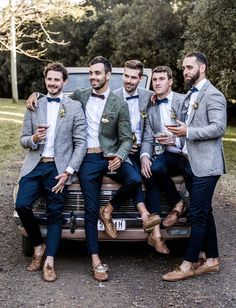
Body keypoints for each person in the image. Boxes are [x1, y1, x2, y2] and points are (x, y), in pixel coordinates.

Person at [26, 56, 158, 281]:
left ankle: (109, 210)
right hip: (87, 159)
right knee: (89, 209)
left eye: (98, 73)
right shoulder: (81, 96)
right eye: (91, 73)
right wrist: (36, 94)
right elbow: (56, 96)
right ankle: (96, 260)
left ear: (108, 75)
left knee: (135, 179)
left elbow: (127, 138)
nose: (93, 77)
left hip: (110, 156)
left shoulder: (119, 103)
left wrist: (120, 155)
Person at [15, 63, 87, 282]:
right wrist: (34, 139)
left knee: (55, 213)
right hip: (35, 165)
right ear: (45, 80)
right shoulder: (35, 104)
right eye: (49, 79)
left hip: (58, 169)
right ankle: (38, 246)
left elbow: (81, 143)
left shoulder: (74, 107)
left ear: (64, 82)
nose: (53, 83)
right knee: (22, 205)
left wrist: (68, 171)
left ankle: (49, 261)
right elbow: (23, 139)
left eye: (57, 80)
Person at [162, 51, 227, 281]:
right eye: (183, 68)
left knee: (198, 215)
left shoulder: (213, 95)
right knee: (205, 212)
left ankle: (187, 265)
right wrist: (178, 134)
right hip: (192, 162)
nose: (185, 72)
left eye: (189, 67)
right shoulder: (192, 95)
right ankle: (212, 260)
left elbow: (219, 128)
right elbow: (190, 126)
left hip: (207, 166)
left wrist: (187, 131)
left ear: (202, 68)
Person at [140, 66, 190, 254]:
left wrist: (175, 139)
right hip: (167, 154)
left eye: (162, 79)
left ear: (170, 82)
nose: (158, 82)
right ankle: (178, 204)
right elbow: (146, 136)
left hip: (187, 152)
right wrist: (145, 156)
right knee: (155, 168)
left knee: (194, 179)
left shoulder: (183, 101)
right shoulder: (151, 106)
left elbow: (194, 129)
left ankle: (188, 219)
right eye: (155, 80)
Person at [114, 60, 161, 234]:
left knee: (151, 177)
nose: (129, 80)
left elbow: (168, 97)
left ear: (140, 79)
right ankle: (147, 219)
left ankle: (154, 231)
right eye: (126, 76)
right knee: (134, 178)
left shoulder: (149, 96)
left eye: (133, 77)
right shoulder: (112, 96)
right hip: (122, 150)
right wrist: (36, 94)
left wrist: (145, 154)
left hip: (143, 148)